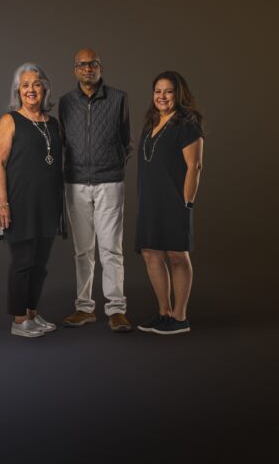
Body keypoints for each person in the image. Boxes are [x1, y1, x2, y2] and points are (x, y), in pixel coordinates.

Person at [58, 49, 133, 332]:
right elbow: (63, 140)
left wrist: (110, 164)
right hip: (75, 182)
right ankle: (84, 307)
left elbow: (126, 140)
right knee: (83, 250)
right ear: (75, 69)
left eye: (93, 64)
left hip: (110, 182)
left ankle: (116, 310)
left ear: (100, 67)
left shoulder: (118, 98)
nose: (88, 68)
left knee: (111, 248)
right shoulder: (65, 102)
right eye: (82, 64)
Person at [0, 63, 64, 338]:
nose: (31, 89)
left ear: (44, 88)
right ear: (18, 91)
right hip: (19, 203)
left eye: (36, 84)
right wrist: (2, 203)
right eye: (25, 85)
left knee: (40, 263)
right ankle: (19, 319)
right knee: (22, 261)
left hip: (48, 204)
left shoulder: (53, 123)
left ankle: (33, 313)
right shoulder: (9, 120)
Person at [135, 71, 204, 335]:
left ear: (178, 94)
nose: (162, 96)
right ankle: (163, 313)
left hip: (175, 200)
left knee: (177, 255)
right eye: (158, 91)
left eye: (168, 91)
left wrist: (187, 202)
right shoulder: (151, 123)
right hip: (150, 201)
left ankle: (180, 317)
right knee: (151, 253)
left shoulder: (187, 124)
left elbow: (194, 166)